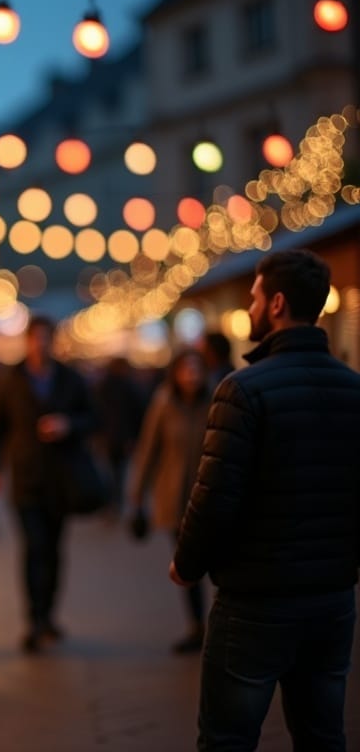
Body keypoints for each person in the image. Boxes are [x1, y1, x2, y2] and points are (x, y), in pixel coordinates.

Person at [171, 249, 360, 751]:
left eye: (253, 298)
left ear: (276, 303)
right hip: (333, 599)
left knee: (227, 740)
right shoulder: (354, 389)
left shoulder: (242, 390)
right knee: (323, 737)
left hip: (256, 601)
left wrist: (186, 565)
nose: (249, 309)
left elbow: (213, 498)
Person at [0, 315, 98, 653]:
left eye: (45, 338)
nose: (40, 344)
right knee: (33, 547)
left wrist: (68, 425)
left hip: (60, 478)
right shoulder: (11, 379)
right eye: (35, 338)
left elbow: (93, 418)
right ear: (27, 342)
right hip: (25, 477)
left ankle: (49, 614)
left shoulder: (70, 379)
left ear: (54, 342)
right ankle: (34, 619)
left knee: (54, 549)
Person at [127, 347, 210, 654]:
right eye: (186, 368)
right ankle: (197, 626)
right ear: (175, 373)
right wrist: (137, 496)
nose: (192, 374)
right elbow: (148, 449)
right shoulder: (164, 402)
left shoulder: (217, 400)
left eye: (197, 368)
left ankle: (219, 625)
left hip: (211, 497)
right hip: (175, 499)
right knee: (186, 563)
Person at [92, 356, 146, 513]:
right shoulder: (129, 387)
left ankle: (111, 501)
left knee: (109, 471)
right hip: (121, 438)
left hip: (108, 437)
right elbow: (137, 413)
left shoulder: (103, 386)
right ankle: (115, 501)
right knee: (118, 472)